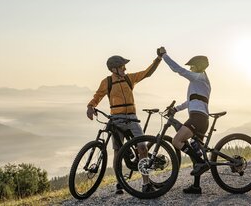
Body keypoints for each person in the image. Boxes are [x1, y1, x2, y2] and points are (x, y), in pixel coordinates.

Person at [87, 53, 161, 194]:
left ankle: (146, 183)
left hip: (132, 118)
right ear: (114, 69)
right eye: (122, 66)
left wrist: (158, 59)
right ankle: (119, 182)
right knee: (117, 151)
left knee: (142, 148)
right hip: (116, 119)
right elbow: (97, 96)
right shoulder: (107, 82)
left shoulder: (129, 78)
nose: (125, 68)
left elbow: (147, 73)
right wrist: (90, 107)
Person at [158, 47, 211, 194]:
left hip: (197, 118)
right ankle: (196, 186)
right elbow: (191, 101)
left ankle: (201, 164)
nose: (191, 68)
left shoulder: (198, 76)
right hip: (201, 118)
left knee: (176, 141)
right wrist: (176, 109)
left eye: (193, 66)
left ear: (199, 66)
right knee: (196, 151)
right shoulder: (200, 82)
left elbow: (179, 70)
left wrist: (164, 56)